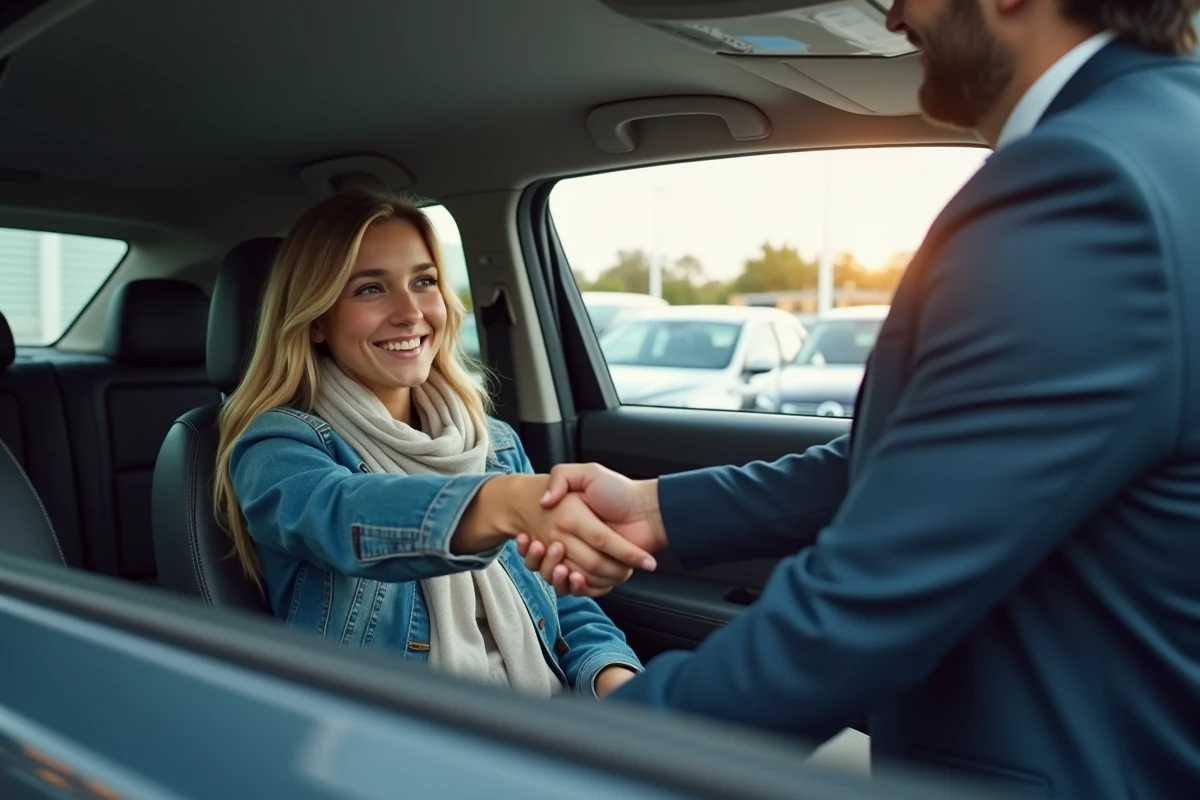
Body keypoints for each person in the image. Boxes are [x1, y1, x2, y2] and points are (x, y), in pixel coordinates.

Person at [522, 0, 1200, 794]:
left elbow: (868, 603)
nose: (893, 17)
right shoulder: (1163, 145)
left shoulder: (1083, 181)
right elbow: (935, 465)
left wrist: (543, 765)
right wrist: (656, 508)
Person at [213, 189, 651, 698]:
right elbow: (344, 518)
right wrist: (501, 504)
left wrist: (613, 680)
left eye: (424, 282)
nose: (410, 311)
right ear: (315, 319)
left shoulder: (493, 443)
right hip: (398, 731)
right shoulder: (276, 447)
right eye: (370, 289)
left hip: (545, 716)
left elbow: (558, 600)